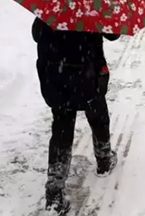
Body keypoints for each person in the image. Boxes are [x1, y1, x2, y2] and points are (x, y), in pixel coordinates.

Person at [32, 18, 120, 214]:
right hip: (87, 74)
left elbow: (36, 35)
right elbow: (114, 34)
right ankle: (104, 159)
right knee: (98, 115)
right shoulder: (95, 8)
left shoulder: (53, 7)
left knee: (61, 128)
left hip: (57, 76)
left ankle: (55, 193)